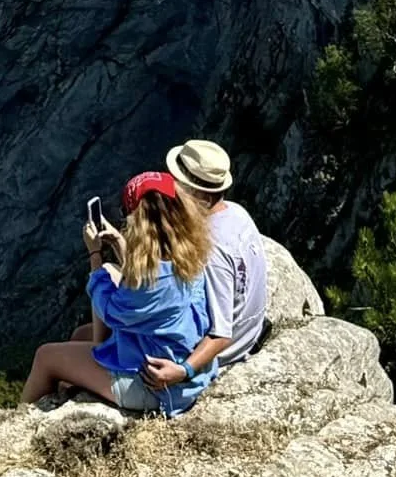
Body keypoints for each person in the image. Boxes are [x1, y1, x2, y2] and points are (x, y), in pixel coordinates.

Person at [21, 172, 216, 416]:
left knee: (46, 356)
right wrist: (120, 245)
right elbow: (145, 293)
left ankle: (15, 424)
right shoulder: (188, 254)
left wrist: (95, 256)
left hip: (153, 385)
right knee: (80, 335)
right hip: (181, 364)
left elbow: (109, 310)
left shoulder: (154, 280)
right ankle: (66, 395)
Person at [140, 138, 268, 401]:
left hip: (219, 354)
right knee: (86, 336)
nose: (172, 188)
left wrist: (183, 370)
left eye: (180, 184)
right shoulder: (236, 213)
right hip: (249, 332)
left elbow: (221, 333)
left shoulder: (209, 248)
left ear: (202, 195)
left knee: (88, 341)